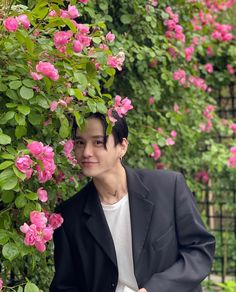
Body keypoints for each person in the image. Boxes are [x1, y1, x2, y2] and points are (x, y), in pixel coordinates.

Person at [50, 112, 215, 292]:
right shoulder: (69, 215)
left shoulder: (168, 187)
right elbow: (65, 286)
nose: (87, 152)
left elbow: (200, 250)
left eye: (98, 142)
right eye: (80, 142)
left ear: (122, 146)